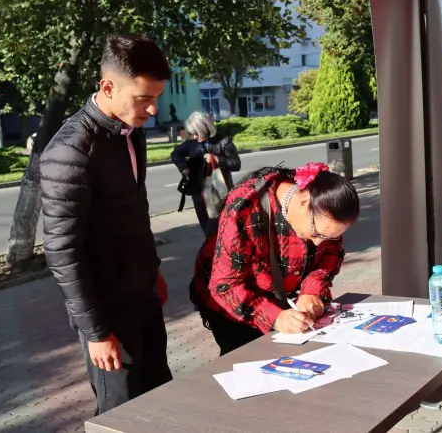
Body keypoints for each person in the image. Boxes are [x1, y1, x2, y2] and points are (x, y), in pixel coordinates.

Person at [39, 34, 173, 415]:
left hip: (142, 295)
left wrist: (154, 270)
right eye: (143, 99)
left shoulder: (129, 132)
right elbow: (62, 251)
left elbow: (136, 210)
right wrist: (96, 333)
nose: (151, 110)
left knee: (159, 400)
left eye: (155, 98)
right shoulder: (70, 151)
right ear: (108, 86)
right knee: (121, 412)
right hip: (108, 312)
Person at [190, 162, 360, 355]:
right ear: (304, 203)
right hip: (233, 306)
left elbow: (331, 254)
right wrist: (275, 317)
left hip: (279, 296)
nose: (319, 243)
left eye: (331, 237)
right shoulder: (246, 206)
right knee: (249, 364)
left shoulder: (326, 211)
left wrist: (312, 291)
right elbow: (225, 285)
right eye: (316, 234)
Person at [170, 111, 241, 237]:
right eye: (192, 134)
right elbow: (176, 154)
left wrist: (217, 159)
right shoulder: (192, 143)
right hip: (199, 193)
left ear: (204, 129)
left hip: (220, 193)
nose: (194, 137)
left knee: (221, 229)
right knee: (207, 231)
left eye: (196, 133)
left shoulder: (224, 141)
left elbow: (236, 164)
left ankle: (220, 253)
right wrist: (184, 168)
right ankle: (212, 253)